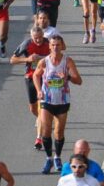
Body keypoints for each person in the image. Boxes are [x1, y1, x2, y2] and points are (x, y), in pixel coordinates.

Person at [33, 35, 83, 174]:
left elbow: (79, 81)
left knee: (59, 132)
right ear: (49, 46)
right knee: (46, 130)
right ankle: (49, 158)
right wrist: (38, 91)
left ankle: (57, 157)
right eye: (53, 45)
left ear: (62, 46)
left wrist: (66, 77)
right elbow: (35, 75)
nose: (55, 47)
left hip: (62, 101)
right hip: (47, 101)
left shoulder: (68, 62)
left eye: (58, 45)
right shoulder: (44, 62)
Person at [10, 26, 53, 149]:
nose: (38, 40)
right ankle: (44, 118)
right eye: (36, 38)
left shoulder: (48, 43)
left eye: (40, 38)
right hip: (30, 77)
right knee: (33, 109)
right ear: (31, 37)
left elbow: (56, 57)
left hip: (45, 79)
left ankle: (39, 138)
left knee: (41, 109)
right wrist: (27, 59)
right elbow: (12, 60)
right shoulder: (26, 44)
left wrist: (41, 58)